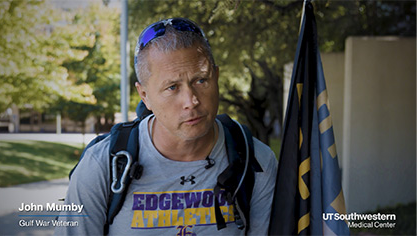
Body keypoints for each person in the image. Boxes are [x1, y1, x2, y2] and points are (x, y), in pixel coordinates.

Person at [54, 17, 277, 235]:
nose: (191, 101)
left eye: (201, 80)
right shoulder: (102, 166)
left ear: (216, 77)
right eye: (172, 87)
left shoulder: (256, 162)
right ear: (145, 96)